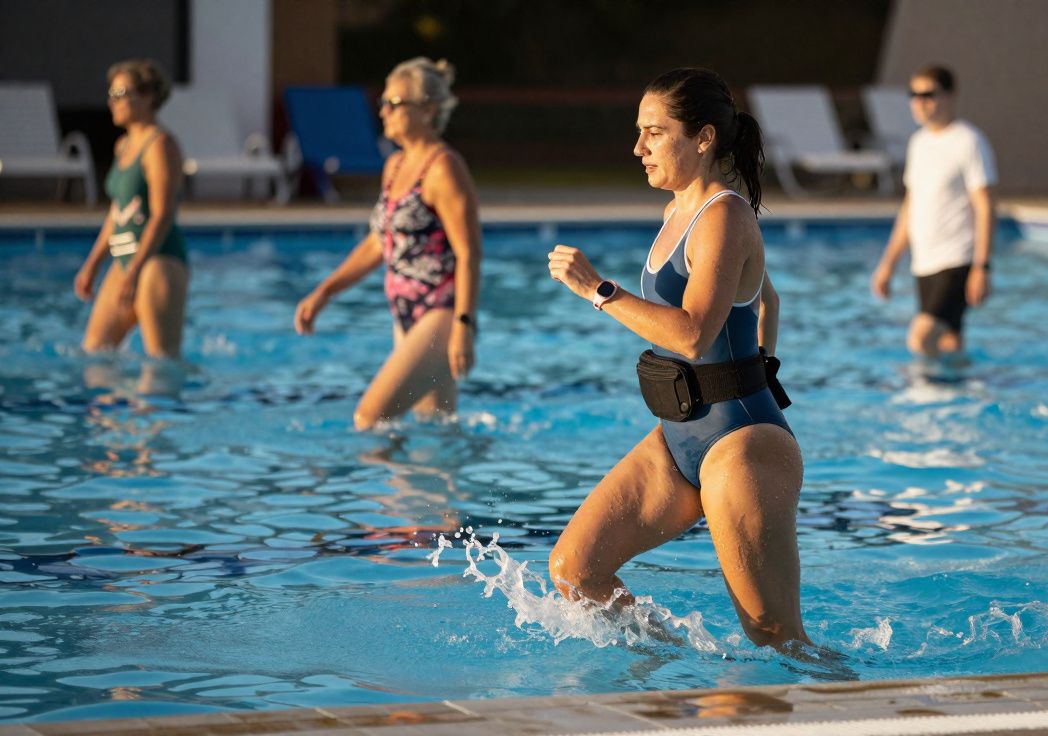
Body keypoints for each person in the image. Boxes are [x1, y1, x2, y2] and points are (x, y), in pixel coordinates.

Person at [546, 68, 808, 649]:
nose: (638, 147)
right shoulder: (679, 214)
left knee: (775, 638)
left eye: (654, 133)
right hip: (681, 433)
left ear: (704, 138)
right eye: (639, 133)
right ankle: (684, 663)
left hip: (740, 443)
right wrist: (761, 361)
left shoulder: (724, 214)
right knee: (576, 572)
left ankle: (865, 707)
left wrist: (599, 290)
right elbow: (767, 295)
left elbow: (692, 335)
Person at [295, 58, 482, 430]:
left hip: (440, 313)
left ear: (427, 111)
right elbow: (379, 244)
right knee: (436, 434)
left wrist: (464, 323)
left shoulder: (443, 168)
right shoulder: (394, 165)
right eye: (382, 102)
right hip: (405, 314)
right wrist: (324, 292)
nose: (383, 111)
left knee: (370, 418)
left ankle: (378, 490)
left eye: (394, 104)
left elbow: (469, 252)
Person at [871, 65, 997, 357]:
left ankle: (923, 399)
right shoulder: (919, 143)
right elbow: (910, 208)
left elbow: (985, 205)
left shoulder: (968, 141)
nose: (919, 102)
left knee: (920, 339)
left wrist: (982, 266)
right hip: (924, 262)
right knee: (948, 344)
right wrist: (888, 263)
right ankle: (959, 398)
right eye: (913, 95)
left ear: (950, 96)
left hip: (957, 260)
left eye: (928, 94)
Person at [74, 59, 188, 359]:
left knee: (161, 365)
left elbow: (162, 215)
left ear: (148, 96)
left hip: (157, 262)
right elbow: (117, 213)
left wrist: (135, 270)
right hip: (124, 261)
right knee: (95, 358)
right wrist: (93, 264)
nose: (112, 102)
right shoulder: (123, 146)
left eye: (120, 93)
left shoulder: (160, 145)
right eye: (111, 94)